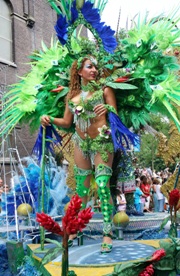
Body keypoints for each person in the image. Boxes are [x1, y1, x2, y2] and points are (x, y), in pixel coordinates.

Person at [41, 56, 118, 253]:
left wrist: (108, 107)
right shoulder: (72, 98)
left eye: (95, 66)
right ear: (79, 71)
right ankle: (76, 229)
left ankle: (108, 233)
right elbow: (67, 123)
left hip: (102, 141)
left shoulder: (105, 91)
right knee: (81, 192)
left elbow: (115, 114)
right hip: (81, 143)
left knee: (102, 185)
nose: (94, 70)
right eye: (89, 66)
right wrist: (49, 119)